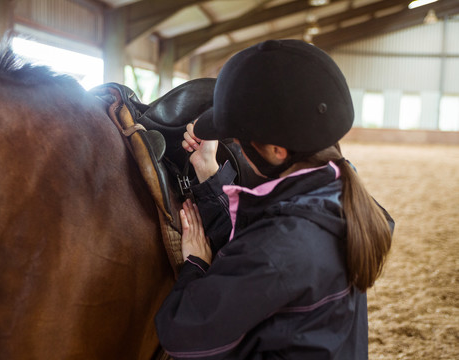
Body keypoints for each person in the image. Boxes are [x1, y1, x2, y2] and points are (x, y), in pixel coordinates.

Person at [154, 39, 394, 359]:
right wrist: (210, 174)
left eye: (239, 141)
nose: (237, 146)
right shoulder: (339, 200)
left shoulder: (280, 248)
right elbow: (262, 251)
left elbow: (182, 333)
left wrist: (196, 265)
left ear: (277, 151)